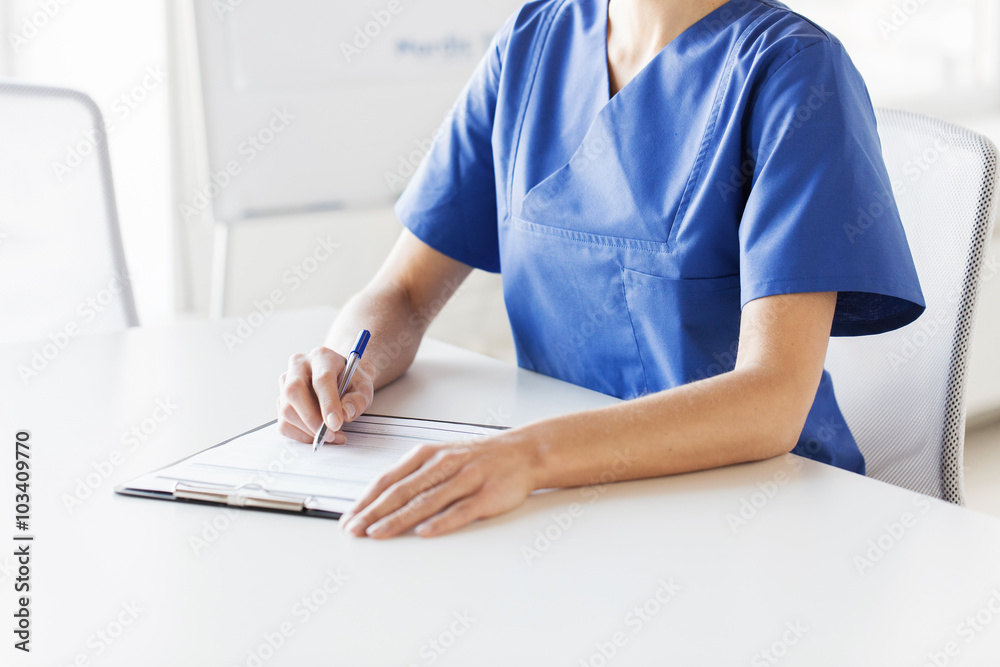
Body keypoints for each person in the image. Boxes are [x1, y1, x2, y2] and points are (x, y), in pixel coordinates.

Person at [277, 0, 924, 539]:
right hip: (561, 501)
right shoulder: (535, 41)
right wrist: (345, 363)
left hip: (755, 505)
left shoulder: (794, 70)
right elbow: (404, 292)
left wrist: (528, 455)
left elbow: (774, 398)